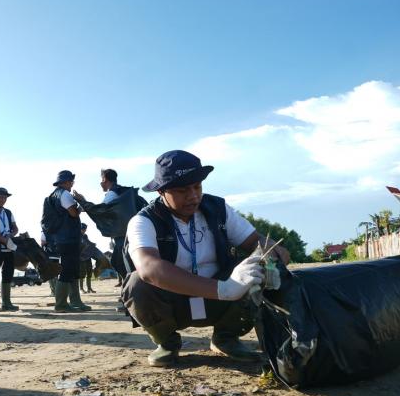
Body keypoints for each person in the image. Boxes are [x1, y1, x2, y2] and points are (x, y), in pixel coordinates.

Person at [122, 150, 290, 367]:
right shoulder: (143, 221)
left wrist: (272, 253)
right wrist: (224, 289)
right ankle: (167, 342)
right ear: (161, 192)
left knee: (255, 270)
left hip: (221, 300)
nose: (193, 196)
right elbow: (149, 268)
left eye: (197, 187)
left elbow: (256, 242)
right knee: (137, 284)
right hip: (176, 300)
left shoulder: (218, 209)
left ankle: (226, 337)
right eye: (182, 190)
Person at [42, 171, 91, 312]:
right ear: (66, 182)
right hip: (67, 238)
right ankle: (61, 304)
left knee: (72, 269)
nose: (72, 184)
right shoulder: (64, 194)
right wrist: (81, 201)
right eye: (71, 181)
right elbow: (74, 213)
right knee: (68, 270)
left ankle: (76, 301)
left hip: (62, 238)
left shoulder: (54, 195)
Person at [79, 223, 95, 294]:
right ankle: (81, 289)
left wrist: (93, 244)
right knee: (82, 273)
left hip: (87, 256)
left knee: (89, 272)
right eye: (83, 229)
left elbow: (88, 243)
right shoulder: (76, 236)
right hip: (80, 258)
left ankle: (89, 288)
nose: (84, 231)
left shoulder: (85, 236)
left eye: (85, 229)